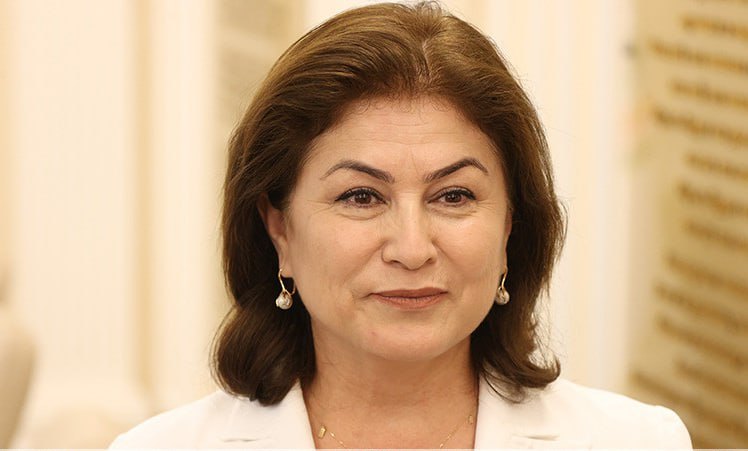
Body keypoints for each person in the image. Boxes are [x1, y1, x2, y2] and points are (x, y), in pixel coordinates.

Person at [111, 2, 691, 448]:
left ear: (510, 228)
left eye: (454, 196)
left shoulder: (640, 442)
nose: (412, 249)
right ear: (279, 230)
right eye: (361, 196)